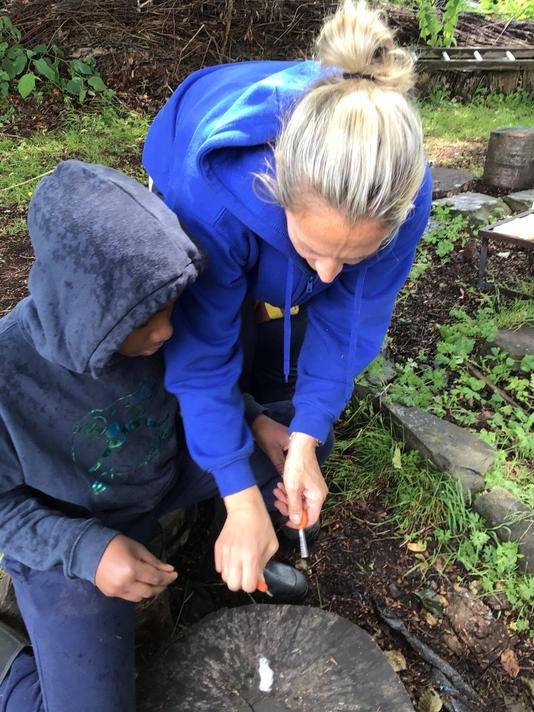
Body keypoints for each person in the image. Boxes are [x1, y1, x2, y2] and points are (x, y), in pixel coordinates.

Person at [0, 160, 321, 712]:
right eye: (144, 320)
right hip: (75, 527)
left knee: (297, 450)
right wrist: (87, 550)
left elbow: (199, 388)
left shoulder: (156, 324)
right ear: (82, 311)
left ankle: (231, 556)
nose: (167, 330)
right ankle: (9, 666)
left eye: (170, 309)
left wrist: (253, 420)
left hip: (163, 474)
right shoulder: (10, 374)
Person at [142, 0, 433, 595]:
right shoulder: (211, 200)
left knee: (271, 312)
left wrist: (306, 436)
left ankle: (254, 429)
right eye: (313, 248)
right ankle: (212, 483)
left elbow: (349, 323)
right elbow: (200, 350)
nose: (326, 277)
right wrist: (239, 495)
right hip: (188, 142)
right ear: (277, 195)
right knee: (216, 323)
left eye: (352, 257)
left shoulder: (400, 195)